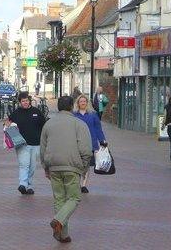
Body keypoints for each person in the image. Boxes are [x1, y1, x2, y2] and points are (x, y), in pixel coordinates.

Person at [40, 96, 92, 243]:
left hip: (53, 166)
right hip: (72, 166)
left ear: (58, 107)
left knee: (59, 199)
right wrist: (83, 166)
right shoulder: (79, 124)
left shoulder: (48, 124)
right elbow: (86, 150)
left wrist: (45, 166)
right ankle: (58, 220)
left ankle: (62, 234)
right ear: (71, 107)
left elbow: (43, 147)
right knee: (74, 198)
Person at [6, 91, 46, 195]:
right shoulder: (16, 113)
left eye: (27, 101)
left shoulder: (36, 112)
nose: (25, 103)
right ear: (20, 102)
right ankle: (22, 184)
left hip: (36, 143)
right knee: (24, 164)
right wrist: (7, 125)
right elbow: (8, 123)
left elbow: (44, 125)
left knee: (32, 166)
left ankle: (29, 185)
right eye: (23, 101)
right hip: (21, 144)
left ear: (29, 101)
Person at [73, 94, 106, 194]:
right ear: (78, 103)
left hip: (90, 143)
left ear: (87, 103)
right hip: (76, 143)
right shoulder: (74, 115)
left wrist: (102, 140)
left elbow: (98, 129)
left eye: (84, 101)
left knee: (86, 165)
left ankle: (83, 185)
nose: (83, 103)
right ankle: (77, 183)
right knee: (77, 165)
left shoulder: (93, 114)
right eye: (81, 101)